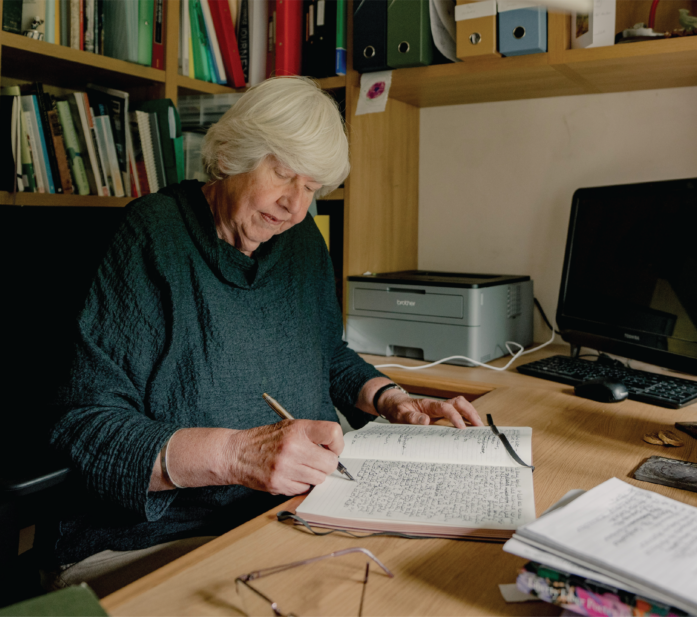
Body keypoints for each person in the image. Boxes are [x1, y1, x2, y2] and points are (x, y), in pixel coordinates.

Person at [39, 76, 484, 593]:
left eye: (312, 188)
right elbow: (83, 425)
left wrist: (395, 399)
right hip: (147, 538)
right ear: (234, 154)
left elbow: (328, 354)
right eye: (284, 174)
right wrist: (235, 455)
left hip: (280, 519)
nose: (296, 206)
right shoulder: (151, 237)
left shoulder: (299, 244)